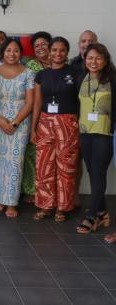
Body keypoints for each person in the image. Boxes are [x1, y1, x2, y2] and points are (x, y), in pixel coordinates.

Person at [30, 37, 80, 222]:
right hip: (44, 123)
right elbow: (36, 103)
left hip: (68, 123)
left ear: (67, 53)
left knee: (66, 168)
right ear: (49, 52)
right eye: (54, 50)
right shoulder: (41, 75)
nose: (58, 53)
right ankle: (44, 206)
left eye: (62, 50)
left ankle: (62, 207)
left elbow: (81, 100)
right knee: (44, 166)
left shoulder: (75, 73)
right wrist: (33, 128)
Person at [0, 38, 35, 218]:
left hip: (19, 124)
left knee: (15, 163)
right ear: (3, 52)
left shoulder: (28, 73)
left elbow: (30, 102)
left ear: (20, 53)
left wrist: (14, 122)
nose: (12, 54)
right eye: (8, 51)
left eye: (16, 51)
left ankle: (11, 202)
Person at [76, 43, 115, 234]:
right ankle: (102, 211)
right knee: (93, 173)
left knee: (98, 173)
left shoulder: (112, 79)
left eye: (98, 58)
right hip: (85, 132)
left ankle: (91, 216)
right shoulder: (81, 78)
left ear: (105, 60)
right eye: (90, 58)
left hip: (105, 133)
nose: (93, 61)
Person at [22, 31, 52, 204]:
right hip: (34, 114)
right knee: (32, 155)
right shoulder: (31, 66)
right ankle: (30, 191)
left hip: (56, 116)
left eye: (43, 44)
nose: (40, 48)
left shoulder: (61, 65)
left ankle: (48, 192)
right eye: (37, 46)